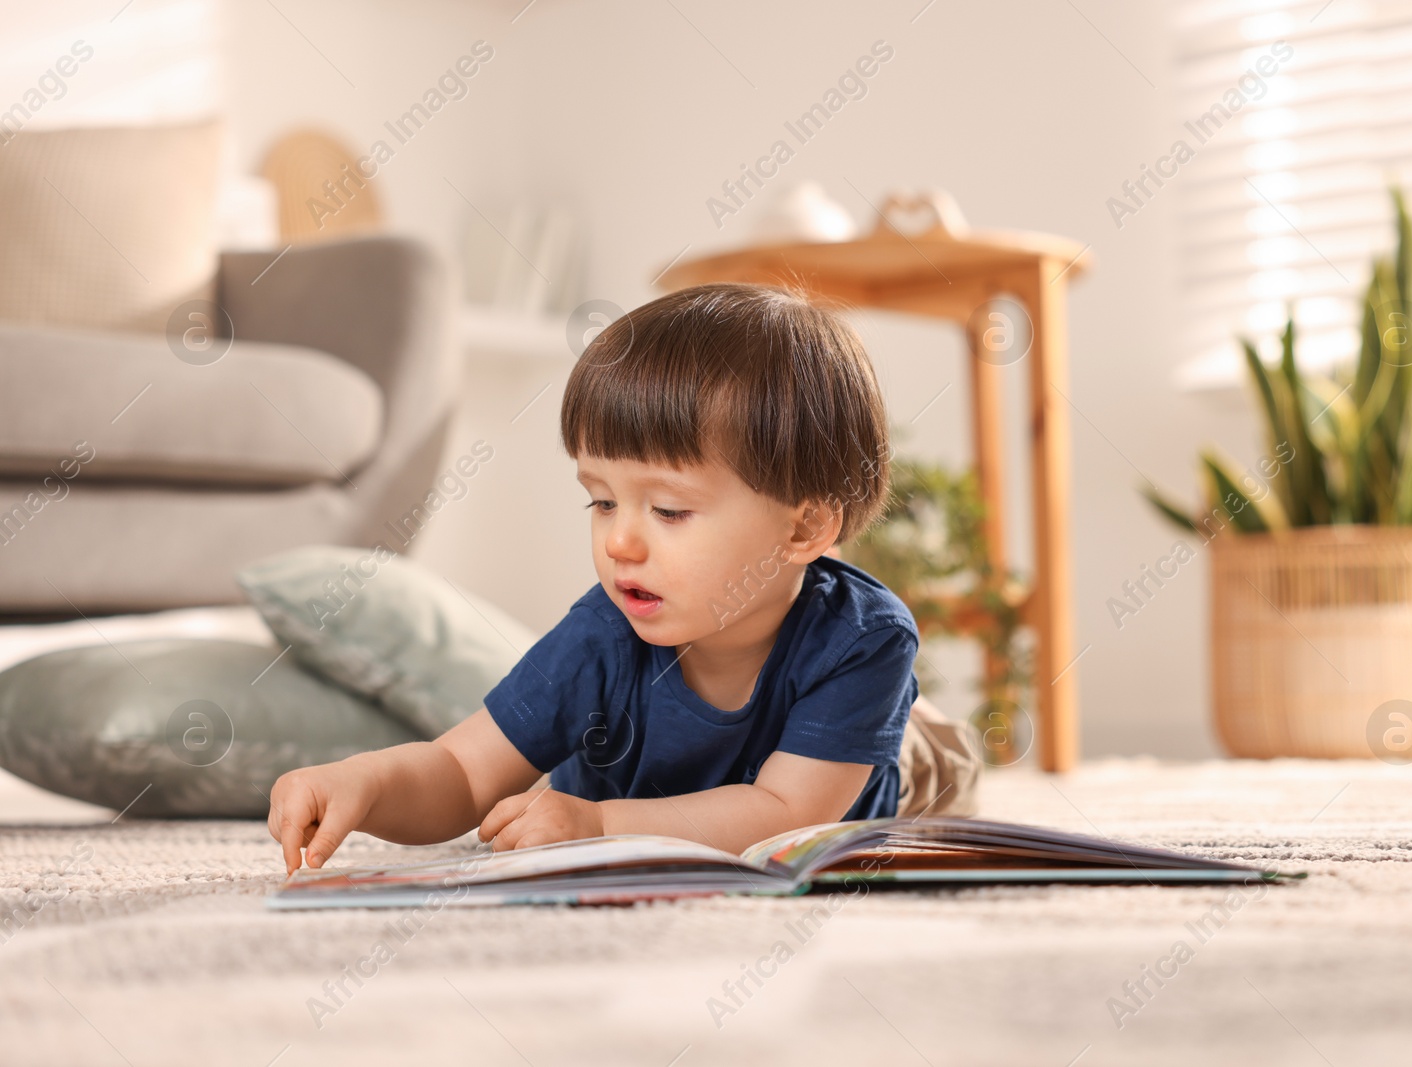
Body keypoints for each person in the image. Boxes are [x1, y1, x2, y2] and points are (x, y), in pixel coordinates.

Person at [268, 282, 976, 875]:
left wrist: (598, 823)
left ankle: (913, 719)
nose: (620, 539)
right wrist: (365, 780)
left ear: (802, 529)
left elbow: (784, 816)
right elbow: (461, 771)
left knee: (942, 761)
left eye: (669, 509)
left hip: (865, 778)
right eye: (601, 499)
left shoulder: (861, 639)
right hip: (667, 787)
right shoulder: (602, 634)